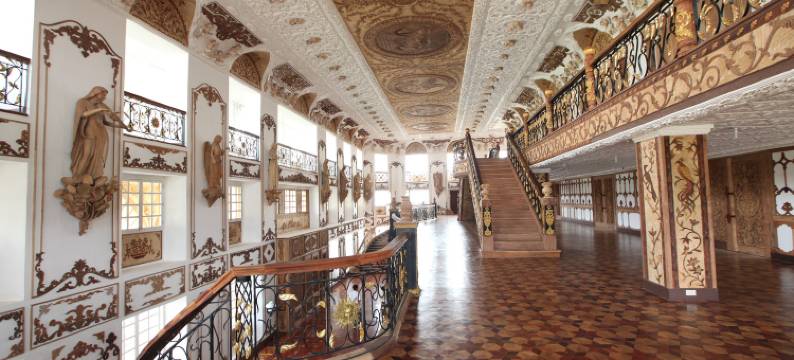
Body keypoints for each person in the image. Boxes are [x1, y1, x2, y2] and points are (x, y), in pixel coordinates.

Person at [70, 86, 129, 179]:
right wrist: (99, 110)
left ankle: (91, 177)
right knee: (87, 154)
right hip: (89, 132)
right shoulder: (83, 102)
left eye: (105, 96)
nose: (104, 98)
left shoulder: (101, 106)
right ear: (95, 93)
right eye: (103, 95)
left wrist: (123, 126)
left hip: (101, 133)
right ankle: (76, 177)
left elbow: (106, 121)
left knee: (97, 157)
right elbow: (82, 115)